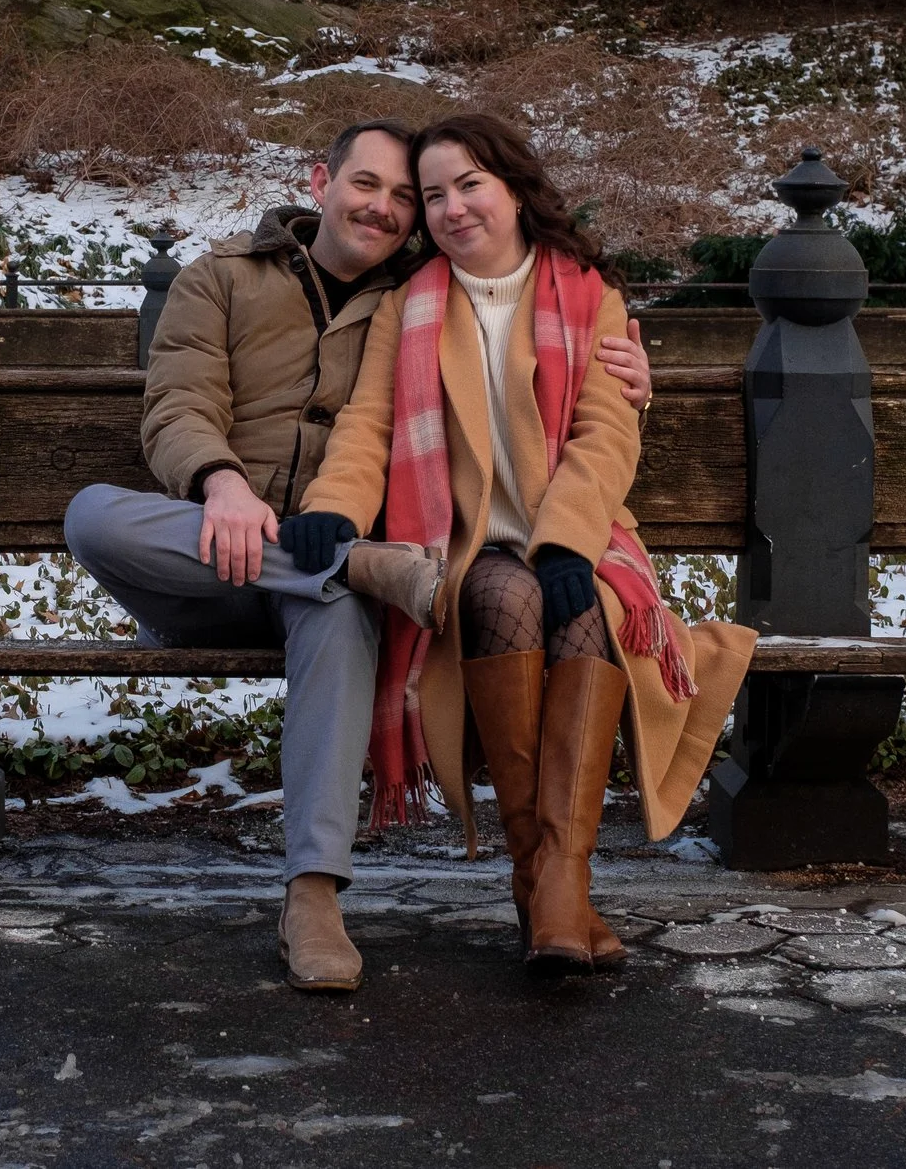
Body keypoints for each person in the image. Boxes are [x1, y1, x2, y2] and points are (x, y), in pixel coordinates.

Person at [62, 119, 658, 993]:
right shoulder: (223, 279)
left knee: (340, 609)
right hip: (223, 557)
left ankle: (313, 902)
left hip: (331, 580)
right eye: (368, 184)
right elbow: (178, 403)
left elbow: (409, 416)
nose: (389, 207)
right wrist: (222, 483)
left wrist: (644, 375)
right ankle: (347, 566)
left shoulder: (411, 298)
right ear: (321, 180)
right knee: (92, 516)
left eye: (406, 195)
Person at [286, 113, 753, 977]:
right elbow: (369, 426)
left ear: (511, 187)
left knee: (573, 611)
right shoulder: (411, 305)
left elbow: (607, 434)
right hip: (466, 549)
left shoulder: (588, 294)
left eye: (470, 184)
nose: (453, 208)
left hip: (580, 540)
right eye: (434, 196)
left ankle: (551, 874)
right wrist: (337, 511)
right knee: (504, 594)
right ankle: (549, 880)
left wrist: (568, 544)